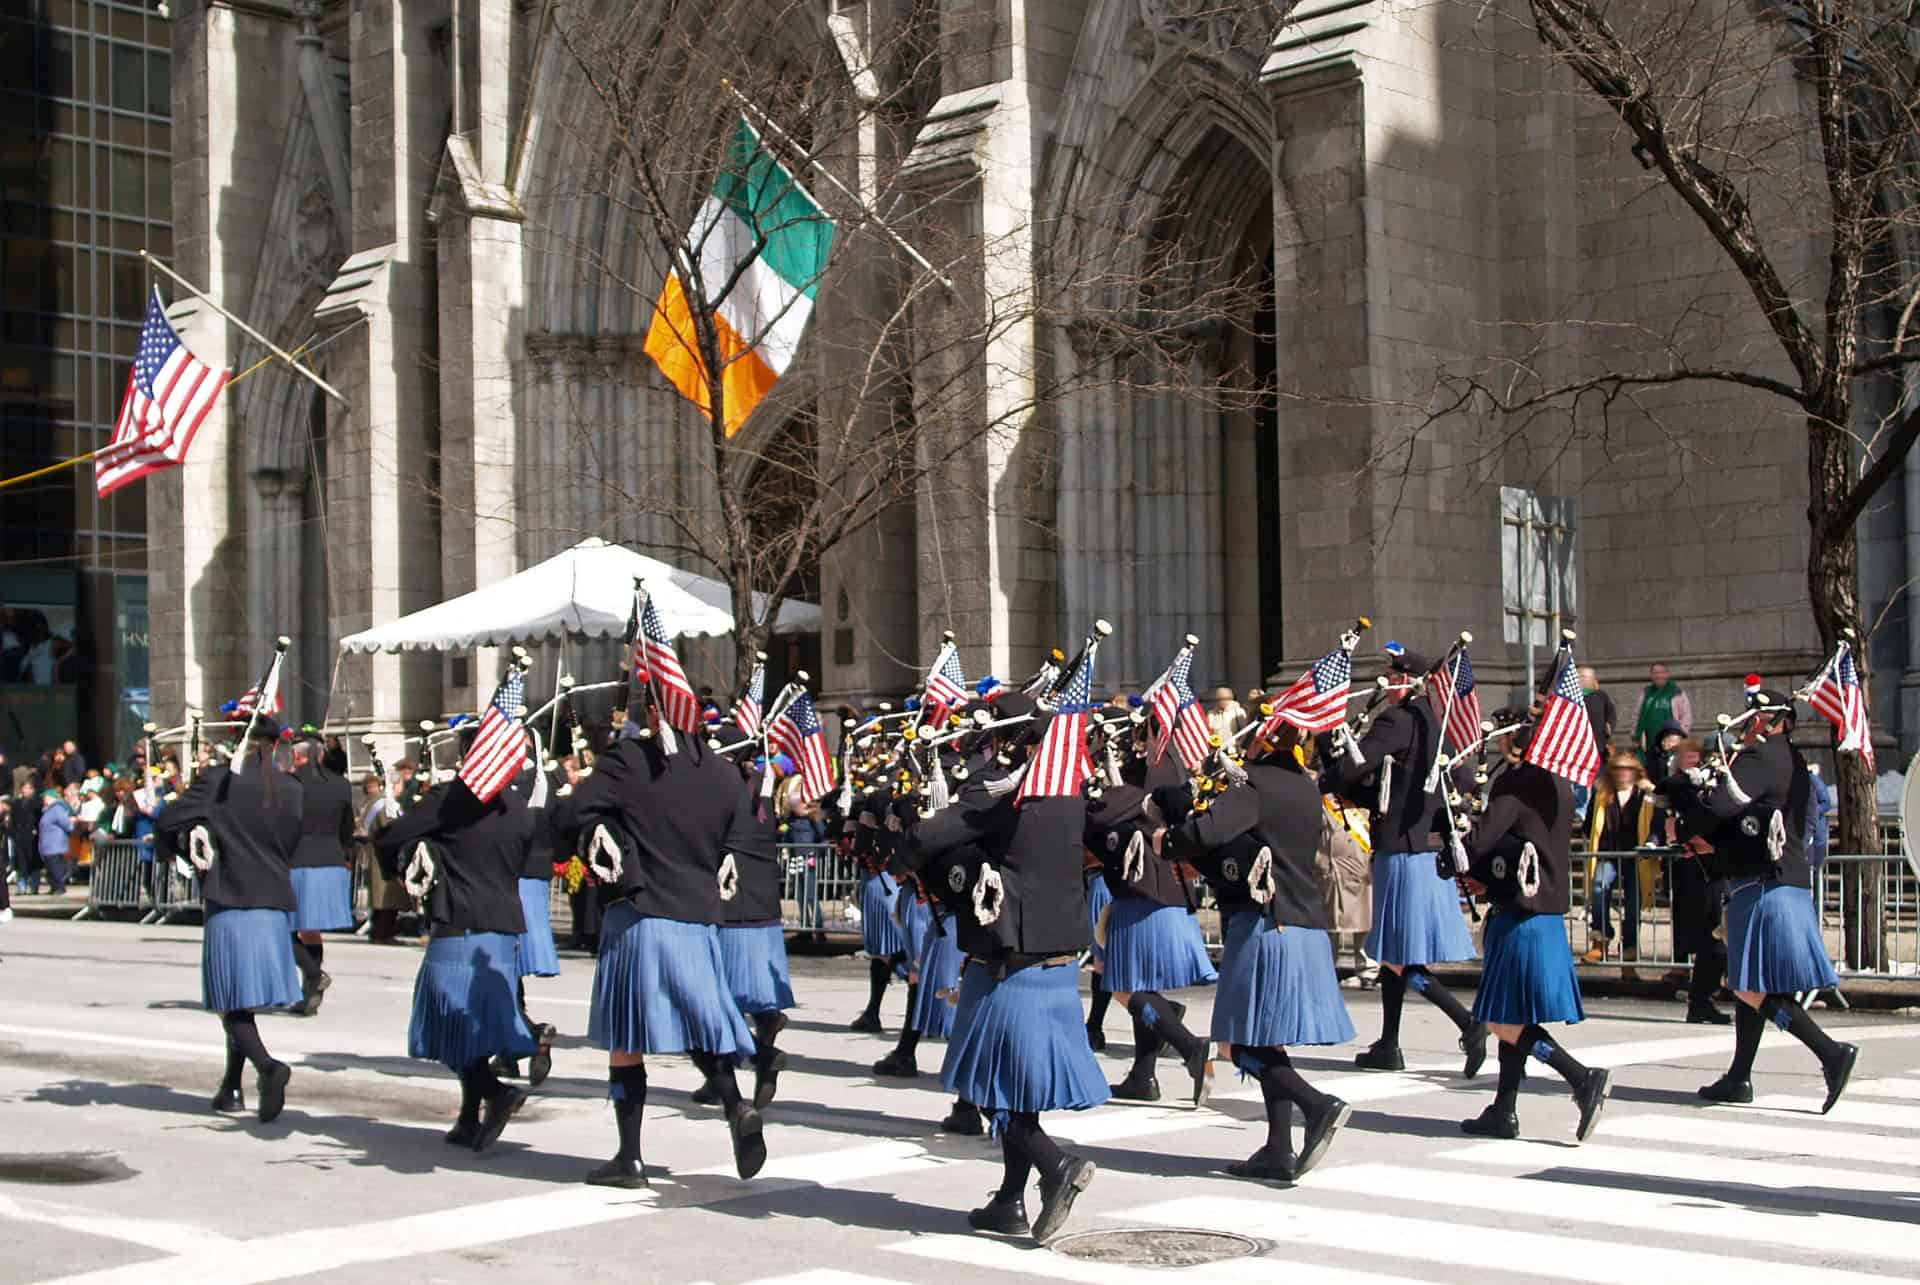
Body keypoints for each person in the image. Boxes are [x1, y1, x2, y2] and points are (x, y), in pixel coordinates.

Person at [897, 688, 1105, 1244]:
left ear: (1009, 739)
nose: (983, 749)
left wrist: (913, 815)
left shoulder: (998, 796)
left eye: (991, 738)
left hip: (1010, 960)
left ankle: (1055, 1166)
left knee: (989, 1085)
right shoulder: (1065, 792)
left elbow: (924, 840)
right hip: (1060, 955)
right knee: (1020, 1087)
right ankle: (1009, 1200)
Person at [570, 693, 765, 1189]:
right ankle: (735, 1104)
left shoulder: (631, 761)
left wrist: (598, 829)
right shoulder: (723, 774)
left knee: (626, 1040)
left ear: (658, 713)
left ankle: (629, 1157)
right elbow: (740, 836)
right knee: (698, 1027)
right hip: (698, 920)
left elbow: (573, 812)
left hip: (641, 914)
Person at [1162, 721, 1355, 1185]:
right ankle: (1277, 1147)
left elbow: (1207, 832)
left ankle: (1316, 1105)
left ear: (1264, 740)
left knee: (1239, 1042)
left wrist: (1169, 838)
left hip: (1269, 922)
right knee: (1267, 1041)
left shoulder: (1256, 785)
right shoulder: (1305, 788)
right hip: (1302, 918)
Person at [1678, 685, 1858, 1111]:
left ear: (1771, 721)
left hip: (1762, 886)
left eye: (1757, 717)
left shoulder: (1762, 756)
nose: (1751, 724)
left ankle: (1831, 1053)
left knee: (1751, 989)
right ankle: (1739, 1077)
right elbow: (1752, 825)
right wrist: (1716, 848)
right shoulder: (1792, 761)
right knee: (1752, 985)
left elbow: (1724, 804)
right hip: (1784, 880)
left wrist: (1686, 824)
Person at [1320, 647, 1485, 1077]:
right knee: (1396, 951)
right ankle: (1389, 1044)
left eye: (1392, 674)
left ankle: (1469, 1024)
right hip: (1424, 848)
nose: (1387, 682)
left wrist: (1326, 764)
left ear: (1405, 678)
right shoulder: (1435, 723)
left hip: (1403, 850)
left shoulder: (1399, 720)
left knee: (1400, 959)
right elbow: (1393, 786)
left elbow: (1356, 768)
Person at [374, 732, 539, 1154]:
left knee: (444, 1022)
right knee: (474, 1028)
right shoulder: (519, 808)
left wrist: (410, 854)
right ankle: (468, 1118)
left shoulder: (453, 800)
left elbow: (393, 835)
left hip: (459, 919)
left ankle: (493, 1091)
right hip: (502, 927)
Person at [1457, 723, 1612, 1143]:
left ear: (1517, 745)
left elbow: (1484, 840)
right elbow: (1528, 847)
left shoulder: (1517, 784)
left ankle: (1580, 1078)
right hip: (1541, 908)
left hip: (1521, 917)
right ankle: (1504, 1109)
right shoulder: (1558, 785)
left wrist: (1460, 840)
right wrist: (1493, 880)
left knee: (1500, 1022)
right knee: (1513, 1016)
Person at [156, 721, 304, 1122]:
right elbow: (292, 841)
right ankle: (232, 1086)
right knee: (241, 1001)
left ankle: (268, 1066)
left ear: (240, 740)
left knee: (228, 999)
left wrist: (186, 847)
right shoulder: (292, 787)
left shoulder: (220, 781)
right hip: (273, 899)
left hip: (231, 896)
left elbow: (167, 821)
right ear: (275, 745)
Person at [1086, 725, 1215, 1108]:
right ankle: (1143, 1075)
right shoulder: (1164, 783)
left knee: (1125, 986)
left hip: (1142, 900)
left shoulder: (1125, 796)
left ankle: (1191, 1047)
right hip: (1169, 893)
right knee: (1142, 989)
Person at [699, 724, 796, 1109]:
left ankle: (759, 1055)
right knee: (748, 994)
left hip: (731, 905)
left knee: (716, 999)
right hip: (763, 905)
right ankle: (759, 1039)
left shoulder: (720, 791)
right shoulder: (761, 786)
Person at [1656, 737, 1730, 1024]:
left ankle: (1703, 997)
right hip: (1702, 869)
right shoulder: (1687, 786)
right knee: (1712, 936)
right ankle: (1701, 999)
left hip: (1715, 865)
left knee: (1716, 937)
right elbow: (1667, 790)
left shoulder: (1716, 785)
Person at [286, 736, 357, 1015]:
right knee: (311, 930)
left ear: (299, 756)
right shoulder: (341, 784)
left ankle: (314, 974)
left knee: (282, 928)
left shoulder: (291, 783)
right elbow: (347, 828)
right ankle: (309, 996)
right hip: (331, 859)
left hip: (298, 859)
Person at [1583, 752, 1654, 973]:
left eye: (1627, 770)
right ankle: (1600, 938)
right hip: (1608, 853)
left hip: (1636, 856)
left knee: (1633, 904)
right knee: (1599, 889)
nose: (1623, 774)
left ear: (1635, 772)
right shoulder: (1602, 793)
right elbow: (1588, 824)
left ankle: (1630, 949)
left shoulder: (1646, 794)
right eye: (1618, 770)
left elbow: (1655, 823)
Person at [357, 771, 411, 943]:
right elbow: (389, 829)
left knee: (387, 897)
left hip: (381, 852)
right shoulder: (384, 804)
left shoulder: (384, 801)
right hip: (383, 854)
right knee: (386, 896)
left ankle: (382, 931)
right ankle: (382, 933)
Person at [1632, 662, 1693, 758]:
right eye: (1655, 673)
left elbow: (1686, 716)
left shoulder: (1677, 692)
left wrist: (1680, 736)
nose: (1659, 675)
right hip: (1650, 743)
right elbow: (1637, 715)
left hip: (1672, 742)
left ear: (1667, 674)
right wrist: (1635, 736)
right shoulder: (1646, 693)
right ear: (1651, 675)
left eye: (1662, 672)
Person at [36, 784, 78, 895]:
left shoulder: (57, 809)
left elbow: (67, 824)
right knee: (50, 868)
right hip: (47, 844)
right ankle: (54, 887)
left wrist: (71, 826)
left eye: (46, 797)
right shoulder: (47, 810)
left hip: (55, 844)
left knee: (55, 868)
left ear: (52, 798)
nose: (44, 799)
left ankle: (60, 887)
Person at [1578, 667, 1616, 761]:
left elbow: (1610, 713)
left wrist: (1610, 724)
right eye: (1582, 676)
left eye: (1589, 677)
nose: (1585, 679)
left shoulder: (1601, 695)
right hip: (1579, 741)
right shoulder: (1573, 696)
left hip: (1599, 742)